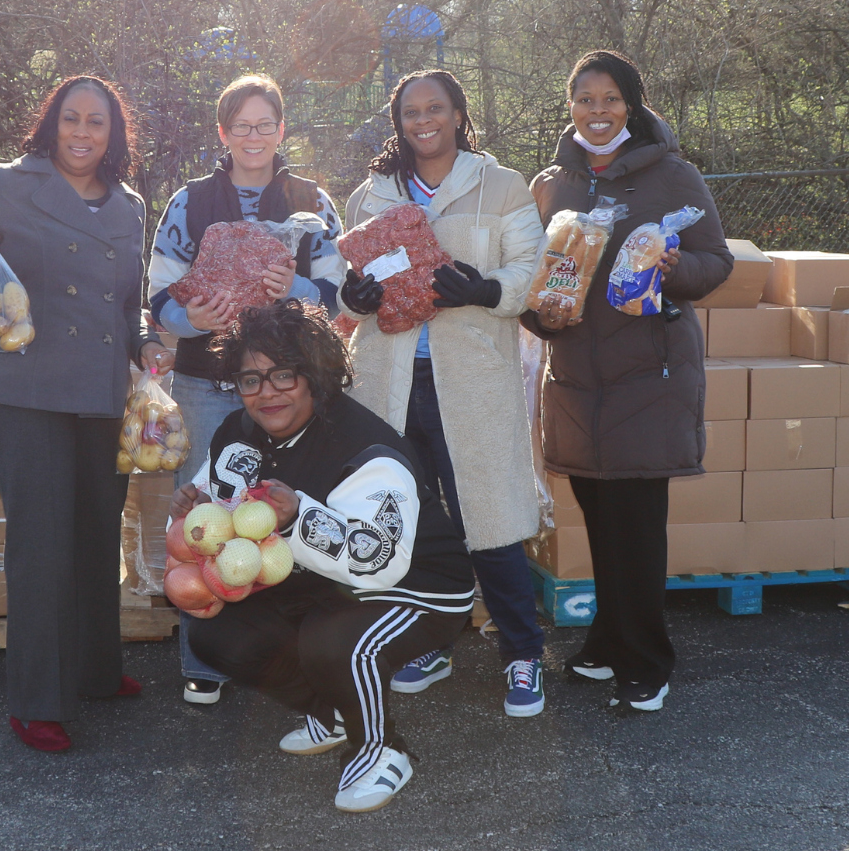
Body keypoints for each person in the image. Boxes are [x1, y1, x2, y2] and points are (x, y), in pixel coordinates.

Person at [0, 76, 169, 751]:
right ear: (51, 122)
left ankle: (97, 669)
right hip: (27, 389)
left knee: (97, 534)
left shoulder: (129, 205)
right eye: (73, 118)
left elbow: (128, 303)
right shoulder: (3, 183)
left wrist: (147, 340)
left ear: (113, 134)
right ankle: (36, 701)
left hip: (100, 391)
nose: (84, 133)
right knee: (41, 544)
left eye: (98, 122)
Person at [175, 300, 474, 813]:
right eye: (250, 379)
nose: (266, 392)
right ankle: (336, 711)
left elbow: (380, 560)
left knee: (334, 639)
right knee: (215, 632)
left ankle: (382, 751)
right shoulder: (236, 434)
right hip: (322, 583)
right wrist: (195, 514)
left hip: (419, 588)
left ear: (315, 376)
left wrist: (296, 518)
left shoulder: (366, 447)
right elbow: (214, 514)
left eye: (283, 375)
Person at [522, 49, 733, 711]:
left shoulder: (672, 176)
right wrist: (542, 313)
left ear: (632, 107)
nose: (598, 111)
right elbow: (539, 273)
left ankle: (647, 663)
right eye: (586, 98)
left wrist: (671, 267)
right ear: (571, 107)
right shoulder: (552, 184)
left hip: (650, 375)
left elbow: (716, 261)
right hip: (579, 379)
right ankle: (609, 641)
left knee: (637, 528)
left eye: (611, 98)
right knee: (601, 520)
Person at [337, 69, 549, 717]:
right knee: (416, 523)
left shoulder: (502, 185)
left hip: (472, 380)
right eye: (410, 112)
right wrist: (356, 297)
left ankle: (523, 654)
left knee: (490, 519)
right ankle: (433, 641)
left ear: (458, 113)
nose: (423, 121)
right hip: (391, 382)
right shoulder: (368, 196)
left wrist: (485, 290)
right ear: (398, 123)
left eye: (435, 108)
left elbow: (531, 269)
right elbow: (349, 287)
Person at [148, 73, 343, 704]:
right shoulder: (190, 202)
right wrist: (190, 320)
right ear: (223, 133)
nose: (253, 137)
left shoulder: (312, 199)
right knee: (204, 516)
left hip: (292, 388)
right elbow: (157, 299)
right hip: (207, 382)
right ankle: (203, 659)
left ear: (282, 129)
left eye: (265, 125)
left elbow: (339, 297)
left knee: (282, 514)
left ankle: (288, 659)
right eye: (241, 126)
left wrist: (294, 289)